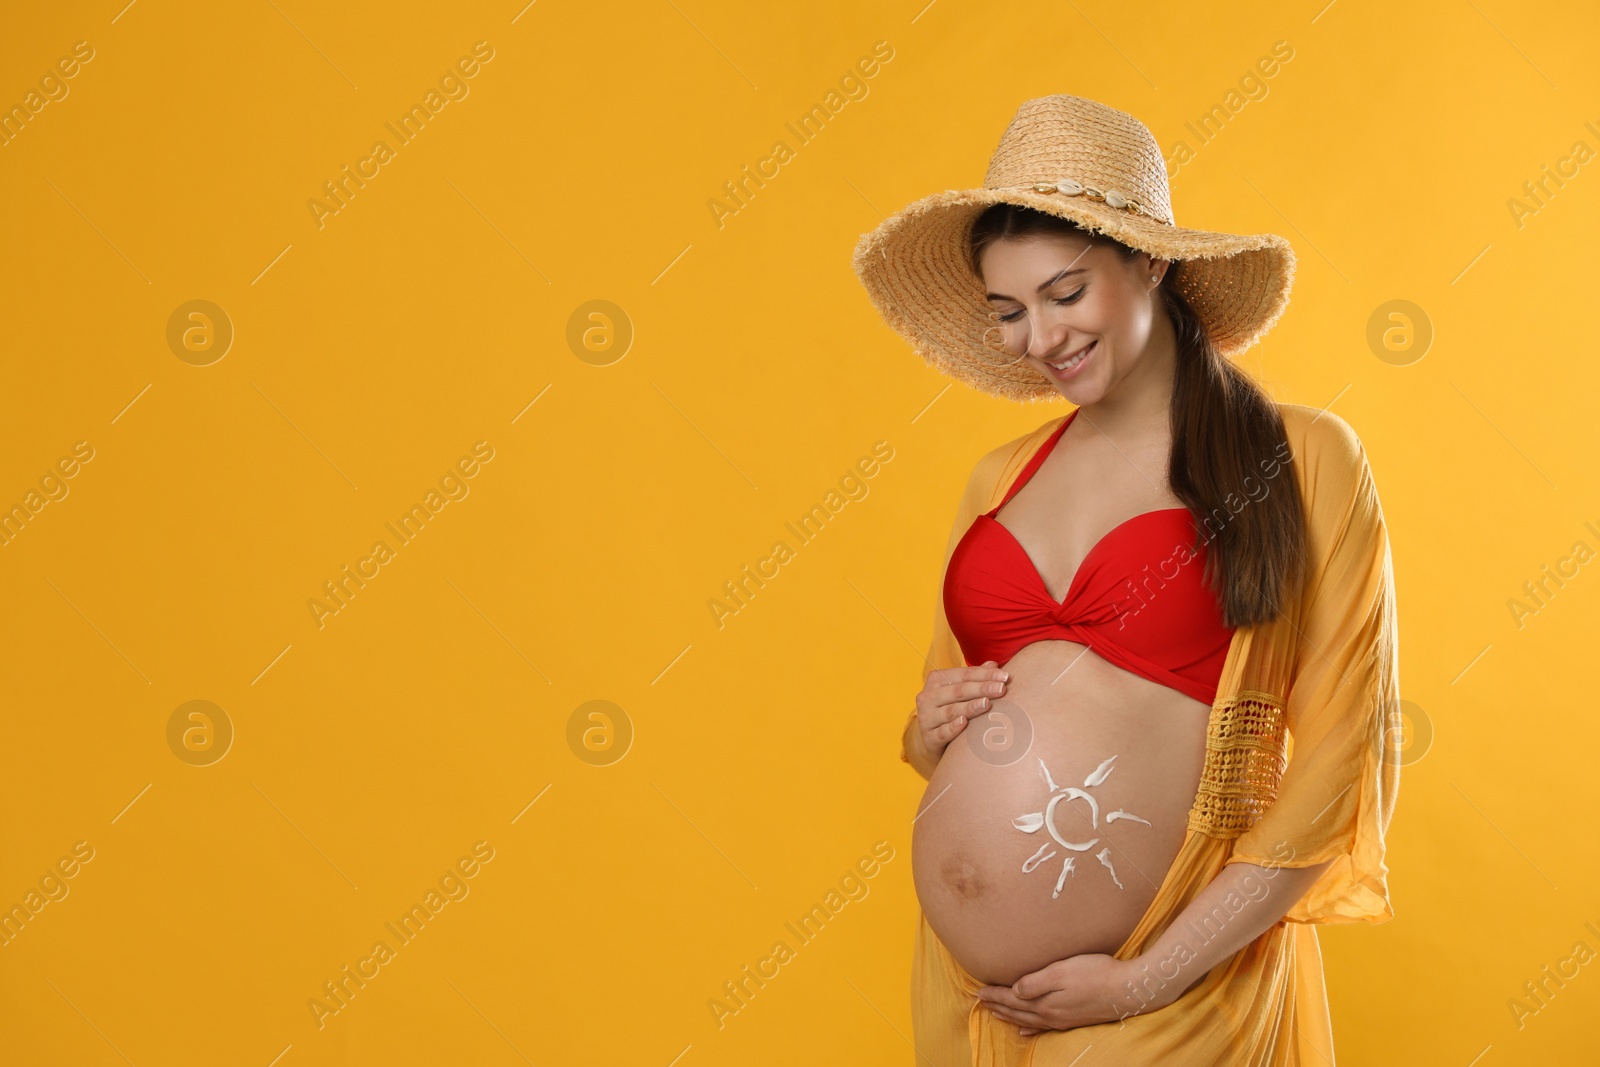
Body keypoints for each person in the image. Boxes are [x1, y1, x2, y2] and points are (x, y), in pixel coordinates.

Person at [852, 94, 1401, 1065]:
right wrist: (927, 726)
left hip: (1174, 989)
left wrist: (1150, 975)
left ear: (1148, 260)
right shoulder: (999, 478)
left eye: (1065, 294)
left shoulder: (1299, 457)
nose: (1039, 337)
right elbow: (936, 740)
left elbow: (1338, 766)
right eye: (1009, 311)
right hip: (975, 1004)